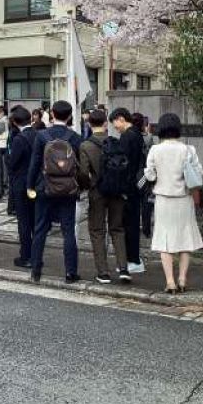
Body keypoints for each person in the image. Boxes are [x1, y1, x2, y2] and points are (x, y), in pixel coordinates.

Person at [144, 113, 203, 293]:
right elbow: (198, 173)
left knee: (165, 240)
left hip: (163, 200)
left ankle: (170, 282)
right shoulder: (188, 149)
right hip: (184, 200)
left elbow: (150, 175)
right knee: (185, 240)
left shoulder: (155, 150)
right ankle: (182, 279)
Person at [27, 100, 82, 284]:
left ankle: (36, 269)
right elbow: (79, 167)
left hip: (45, 187)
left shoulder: (42, 136)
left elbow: (34, 164)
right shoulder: (74, 137)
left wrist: (30, 186)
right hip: (67, 189)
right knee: (68, 230)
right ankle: (70, 272)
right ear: (69, 115)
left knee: (40, 228)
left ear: (52, 114)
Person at [80, 110, 131, 284]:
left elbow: (83, 173)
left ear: (88, 124)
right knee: (117, 229)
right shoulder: (116, 143)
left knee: (97, 230)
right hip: (117, 191)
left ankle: (103, 272)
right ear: (104, 124)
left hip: (97, 192)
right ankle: (123, 268)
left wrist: (88, 187)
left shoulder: (86, 146)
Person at [109, 108, 145, 274]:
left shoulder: (127, 136)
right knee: (132, 224)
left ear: (121, 119)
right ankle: (134, 258)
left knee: (128, 225)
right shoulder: (137, 134)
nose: (115, 127)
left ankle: (133, 260)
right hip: (136, 187)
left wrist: (120, 187)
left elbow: (123, 165)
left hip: (128, 188)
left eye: (115, 124)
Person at [7, 106, 37, 268]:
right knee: (35, 221)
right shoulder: (38, 135)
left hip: (21, 184)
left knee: (24, 222)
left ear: (15, 121)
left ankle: (26, 256)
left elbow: (12, 163)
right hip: (36, 184)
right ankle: (36, 255)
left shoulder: (19, 139)